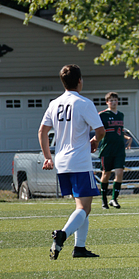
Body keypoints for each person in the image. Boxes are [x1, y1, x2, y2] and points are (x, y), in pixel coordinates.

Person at [39, 64, 106, 260]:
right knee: (85, 207)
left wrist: (47, 157)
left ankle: (80, 248)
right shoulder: (84, 103)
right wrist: (95, 141)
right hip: (79, 161)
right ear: (79, 81)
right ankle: (63, 235)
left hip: (62, 162)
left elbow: (42, 131)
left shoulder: (54, 103)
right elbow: (101, 131)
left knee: (81, 207)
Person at [98, 92, 132, 209]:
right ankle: (104, 200)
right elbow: (97, 129)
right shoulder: (102, 115)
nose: (113, 102)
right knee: (106, 173)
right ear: (107, 102)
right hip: (107, 149)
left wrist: (127, 137)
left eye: (115, 100)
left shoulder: (120, 115)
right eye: (111, 100)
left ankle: (114, 199)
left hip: (119, 149)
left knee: (120, 173)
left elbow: (119, 131)